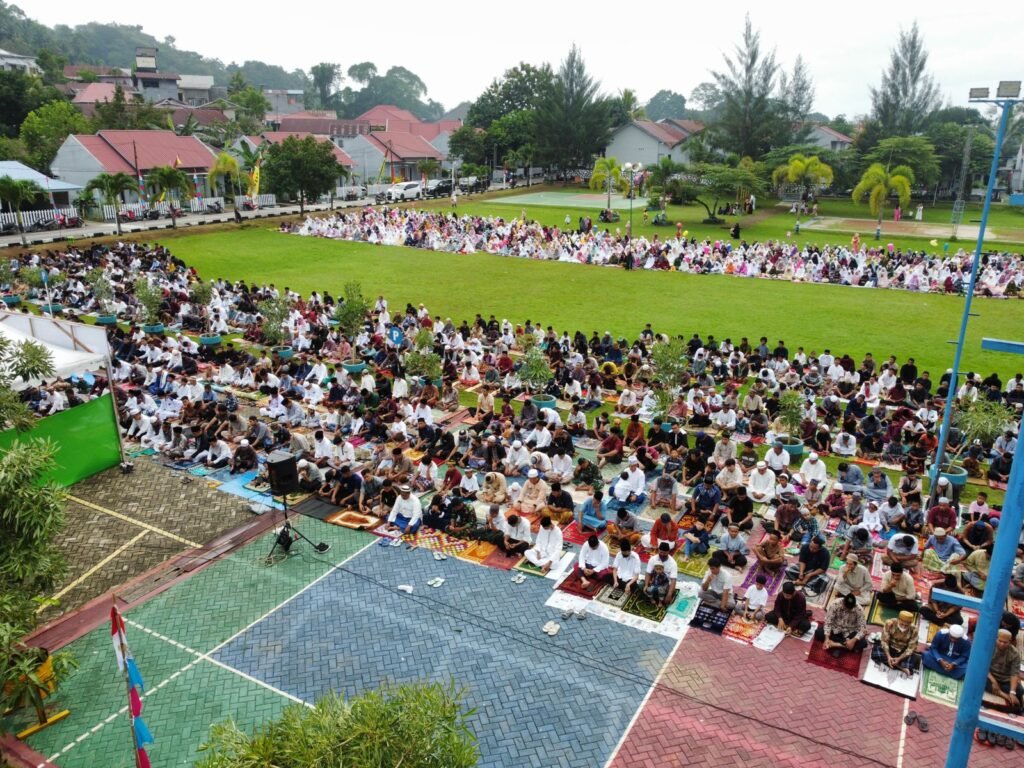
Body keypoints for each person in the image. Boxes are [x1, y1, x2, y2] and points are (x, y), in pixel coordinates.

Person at [987, 629, 1023, 711]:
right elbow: (983, 666)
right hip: (989, 676)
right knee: (976, 678)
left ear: (1010, 641)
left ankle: (1008, 696)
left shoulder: (1014, 654)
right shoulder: (989, 647)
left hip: (1005, 679)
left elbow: (1014, 673)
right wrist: (994, 682)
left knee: (1020, 691)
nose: (1002, 644)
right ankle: (1003, 695)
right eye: (1000, 641)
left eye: (1005, 642)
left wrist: (1012, 692)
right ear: (996, 638)